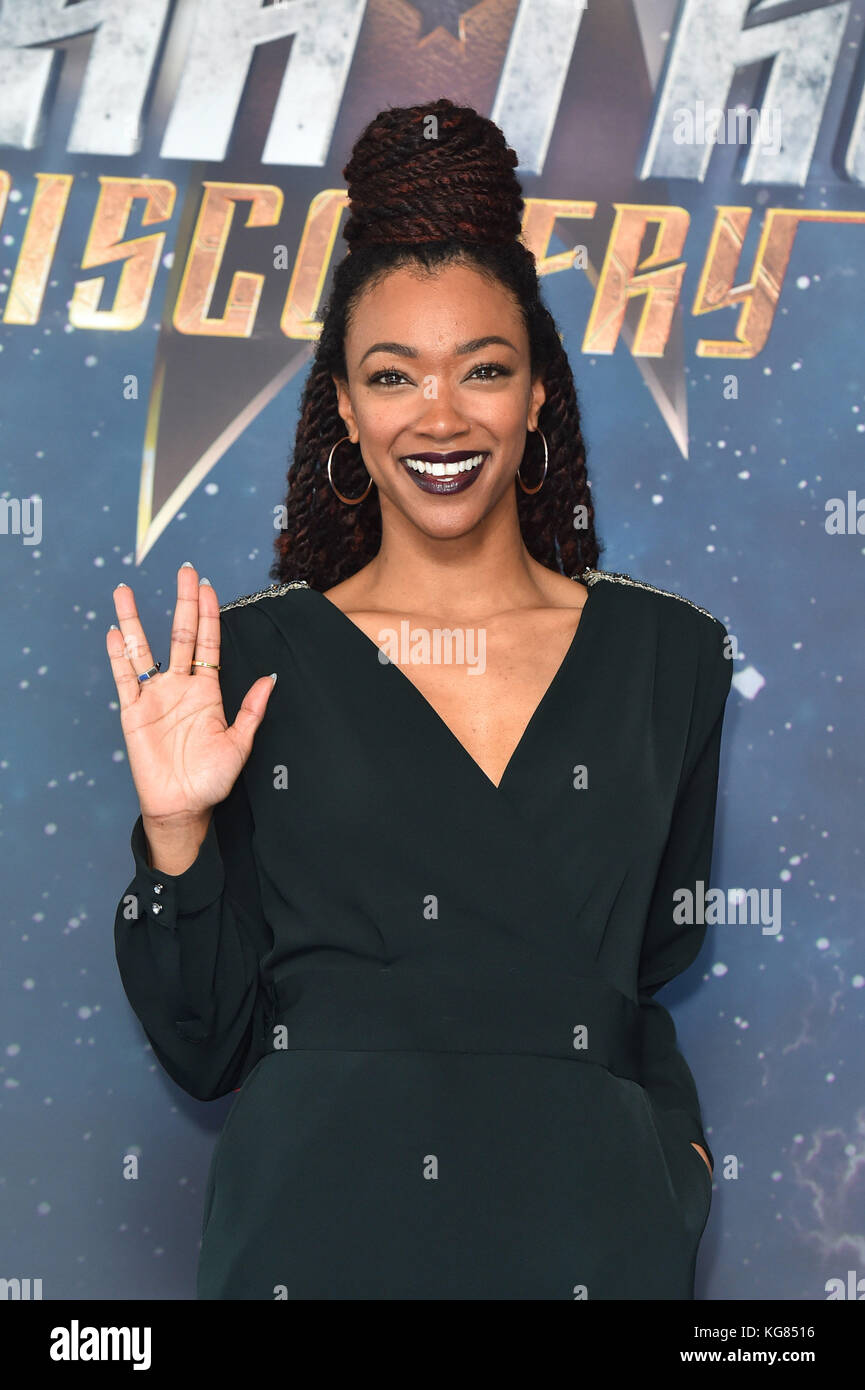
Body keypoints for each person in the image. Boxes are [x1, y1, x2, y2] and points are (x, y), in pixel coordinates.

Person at [109, 99, 732, 1300]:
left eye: (483, 370)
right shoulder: (237, 667)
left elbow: (649, 967)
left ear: (538, 390)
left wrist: (677, 1171)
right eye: (392, 375)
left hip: (589, 1244)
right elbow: (205, 1048)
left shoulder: (670, 656)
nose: (438, 417)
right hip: (315, 1238)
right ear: (343, 405)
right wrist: (177, 838)